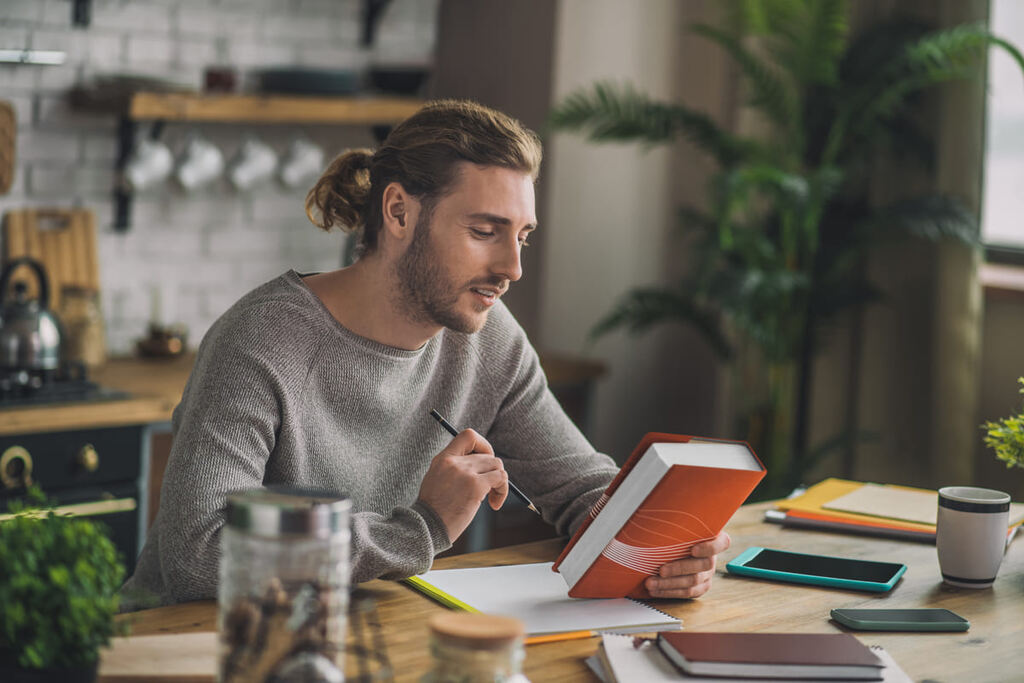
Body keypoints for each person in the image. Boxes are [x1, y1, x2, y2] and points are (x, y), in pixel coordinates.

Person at [121, 99, 729, 609]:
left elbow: (580, 487)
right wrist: (424, 526)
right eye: (484, 232)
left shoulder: (488, 338)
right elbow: (196, 560)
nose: (512, 268)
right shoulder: (259, 342)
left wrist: (658, 544)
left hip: (361, 638)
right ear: (398, 212)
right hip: (200, 647)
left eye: (521, 237)